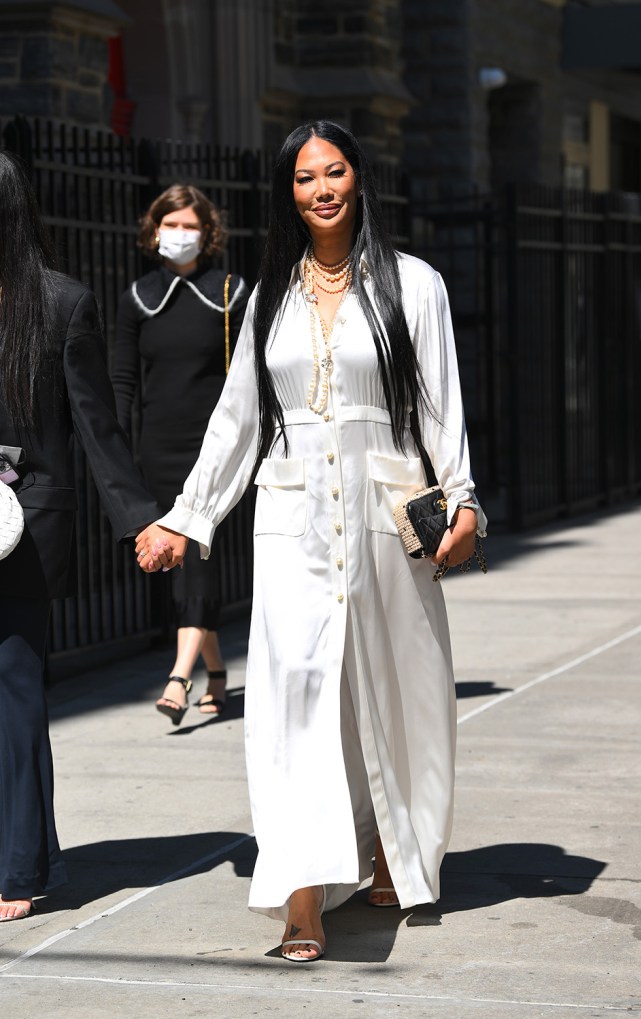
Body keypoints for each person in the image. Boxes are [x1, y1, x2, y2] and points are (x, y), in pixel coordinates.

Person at [136, 121, 487, 961]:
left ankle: (389, 847)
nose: (321, 188)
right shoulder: (269, 297)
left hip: (385, 520)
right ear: (287, 193)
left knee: (396, 694)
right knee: (293, 702)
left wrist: (464, 501)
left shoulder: (415, 285)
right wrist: (188, 515)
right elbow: (239, 421)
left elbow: (440, 402)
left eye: (334, 172)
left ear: (359, 179)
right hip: (292, 525)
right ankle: (300, 890)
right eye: (304, 177)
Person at [0, 151, 160, 922]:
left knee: (14, 694)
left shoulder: (61, 304)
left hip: (20, 530)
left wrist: (140, 518)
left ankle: (18, 868)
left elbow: (98, 428)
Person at [112, 185, 249, 725]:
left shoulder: (233, 292)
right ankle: (216, 673)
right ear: (154, 231)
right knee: (180, 563)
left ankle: (180, 674)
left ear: (208, 232)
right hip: (158, 450)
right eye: (169, 226)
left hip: (213, 448)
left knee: (198, 559)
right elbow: (123, 381)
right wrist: (118, 452)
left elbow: (248, 379)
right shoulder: (138, 297)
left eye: (189, 225)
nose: (179, 235)